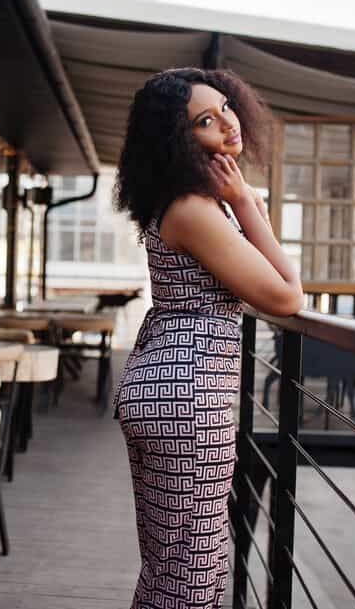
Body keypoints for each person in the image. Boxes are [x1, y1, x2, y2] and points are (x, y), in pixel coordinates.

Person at [113, 68, 303, 608]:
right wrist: (246, 203)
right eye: (204, 120)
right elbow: (289, 297)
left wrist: (241, 203)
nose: (227, 123)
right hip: (187, 400)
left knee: (171, 566)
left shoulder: (184, 202)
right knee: (192, 570)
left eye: (225, 107)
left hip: (172, 389)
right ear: (178, 140)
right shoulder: (195, 209)